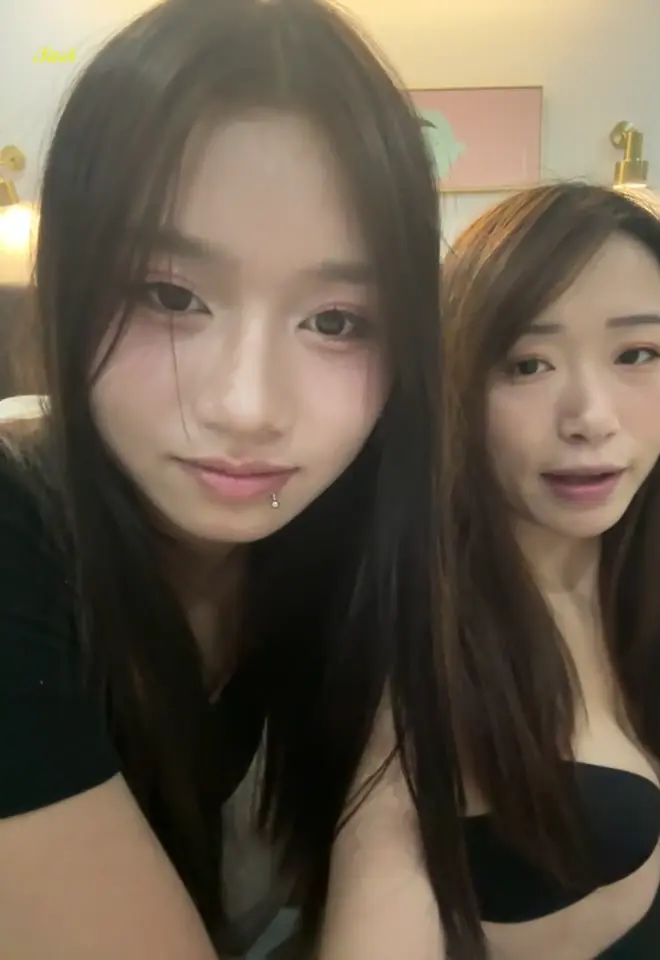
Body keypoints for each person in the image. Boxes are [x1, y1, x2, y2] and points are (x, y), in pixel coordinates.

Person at [0, 0, 441, 957]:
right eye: (170, 295)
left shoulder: (372, 552)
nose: (247, 405)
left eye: (336, 320)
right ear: (68, 282)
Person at [318, 183, 660, 959]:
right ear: (456, 387)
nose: (591, 416)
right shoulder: (426, 650)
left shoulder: (624, 575)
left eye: (636, 354)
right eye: (528, 365)